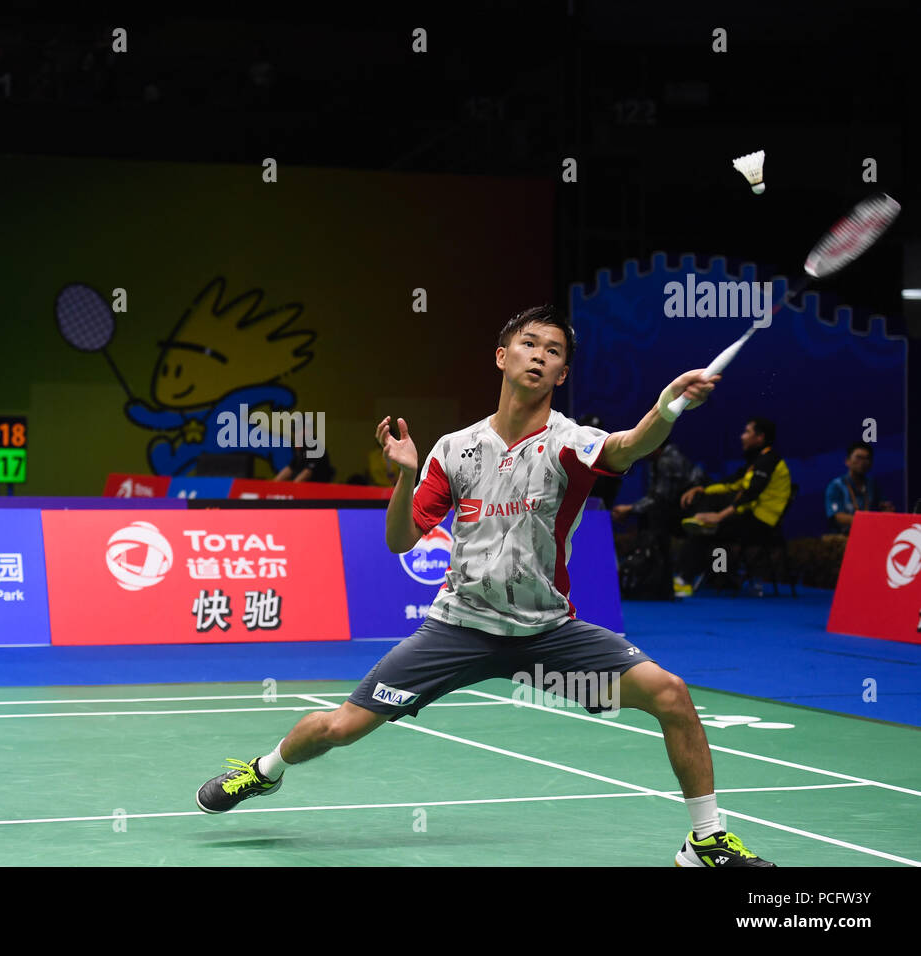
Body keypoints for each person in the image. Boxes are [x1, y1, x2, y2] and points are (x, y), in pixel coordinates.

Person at [194, 305, 774, 866]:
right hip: (458, 629)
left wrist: (668, 407)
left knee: (671, 694)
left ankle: (705, 841)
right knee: (339, 728)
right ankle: (264, 770)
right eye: (529, 344)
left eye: (554, 351)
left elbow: (630, 444)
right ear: (502, 356)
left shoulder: (571, 442)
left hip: (547, 634)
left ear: (562, 374)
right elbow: (400, 539)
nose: (539, 356)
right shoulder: (455, 449)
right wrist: (404, 476)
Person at [677, 418, 791, 591]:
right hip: (751, 518)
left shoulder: (769, 461)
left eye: (747, 432)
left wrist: (719, 516)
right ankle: (720, 576)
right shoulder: (756, 461)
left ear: (760, 437)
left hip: (763, 525)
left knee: (707, 530)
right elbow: (732, 483)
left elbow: (751, 494)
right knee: (711, 517)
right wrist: (701, 489)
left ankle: (685, 580)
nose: (742, 436)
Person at [612, 439, 706, 594]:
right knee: (651, 515)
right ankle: (653, 572)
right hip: (678, 511)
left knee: (655, 516)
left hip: (695, 513)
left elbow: (660, 499)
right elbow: (656, 497)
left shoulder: (667, 461)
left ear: (655, 445)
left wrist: (630, 509)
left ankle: (663, 575)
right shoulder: (657, 460)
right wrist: (632, 510)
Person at [825, 441, 894, 533]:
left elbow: (883, 508)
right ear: (847, 461)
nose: (862, 462)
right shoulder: (836, 486)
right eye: (858, 457)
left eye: (867, 458)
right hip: (843, 536)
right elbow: (838, 516)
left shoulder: (873, 485)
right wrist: (867, 521)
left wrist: (887, 513)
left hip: (869, 534)